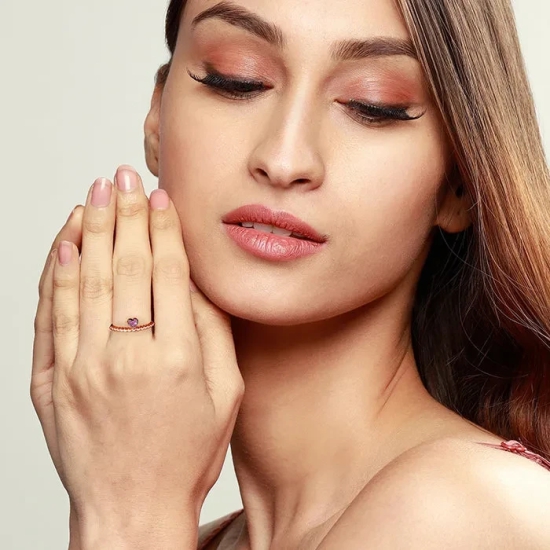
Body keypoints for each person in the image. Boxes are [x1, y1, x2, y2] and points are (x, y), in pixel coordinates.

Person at [31, 0, 550, 548]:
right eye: (237, 80)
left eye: (373, 105)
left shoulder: (459, 511)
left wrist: (126, 514)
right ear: (157, 118)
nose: (283, 159)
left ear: (459, 182)